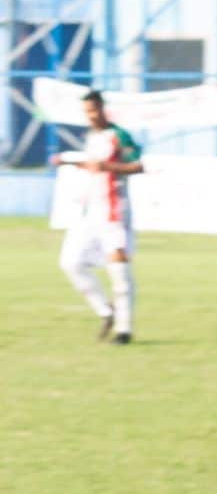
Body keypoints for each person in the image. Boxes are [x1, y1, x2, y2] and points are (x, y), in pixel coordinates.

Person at [51, 90, 142, 344]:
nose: (90, 116)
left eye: (93, 110)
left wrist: (108, 167)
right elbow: (94, 167)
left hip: (115, 211)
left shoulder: (118, 135)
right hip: (90, 213)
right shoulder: (92, 137)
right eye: (86, 112)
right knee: (70, 262)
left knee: (118, 269)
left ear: (103, 109)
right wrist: (69, 162)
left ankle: (124, 330)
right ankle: (107, 311)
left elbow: (138, 165)